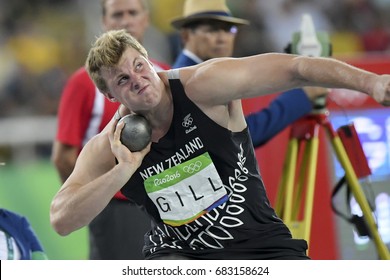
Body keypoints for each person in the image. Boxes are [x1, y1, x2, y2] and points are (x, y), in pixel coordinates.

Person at [50, 29, 390, 260]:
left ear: (149, 59)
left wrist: (372, 83)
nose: (138, 81)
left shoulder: (203, 86)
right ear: (109, 95)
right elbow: (61, 220)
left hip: (261, 246)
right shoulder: (111, 145)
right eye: (123, 80)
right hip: (178, 258)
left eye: (139, 67)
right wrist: (122, 170)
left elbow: (296, 69)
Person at [51, 0, 169, 260]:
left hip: (168, 204)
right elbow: (63, 156)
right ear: (104, 23)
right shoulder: (83, 83)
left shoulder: (166, 76)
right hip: (118, 208)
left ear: (145, 19)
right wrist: (92, 203)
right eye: (117, 14)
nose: (125, 20)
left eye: (132, 13)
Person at [171, 0, 328, 147]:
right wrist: (302, 95)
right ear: (186, 35)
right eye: (212, 29)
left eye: (228, 29)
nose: (222, 38)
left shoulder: (205, 71)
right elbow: (236, 137)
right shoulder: (190, 80)